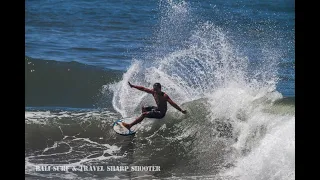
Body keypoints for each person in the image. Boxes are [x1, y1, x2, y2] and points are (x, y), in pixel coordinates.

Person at [122, 82, 187, 130]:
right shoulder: (153, 92)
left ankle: (130, 126)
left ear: (160, 88)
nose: (155, 90)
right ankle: (140, 121)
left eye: (157, 89)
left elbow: (173, 103)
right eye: (154, 89)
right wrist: (133, 86)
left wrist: (181, 110)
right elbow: (143, 88)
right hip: (158, 109)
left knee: (144, 114)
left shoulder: (164, 96)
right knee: (143, 108)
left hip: (161, 113)